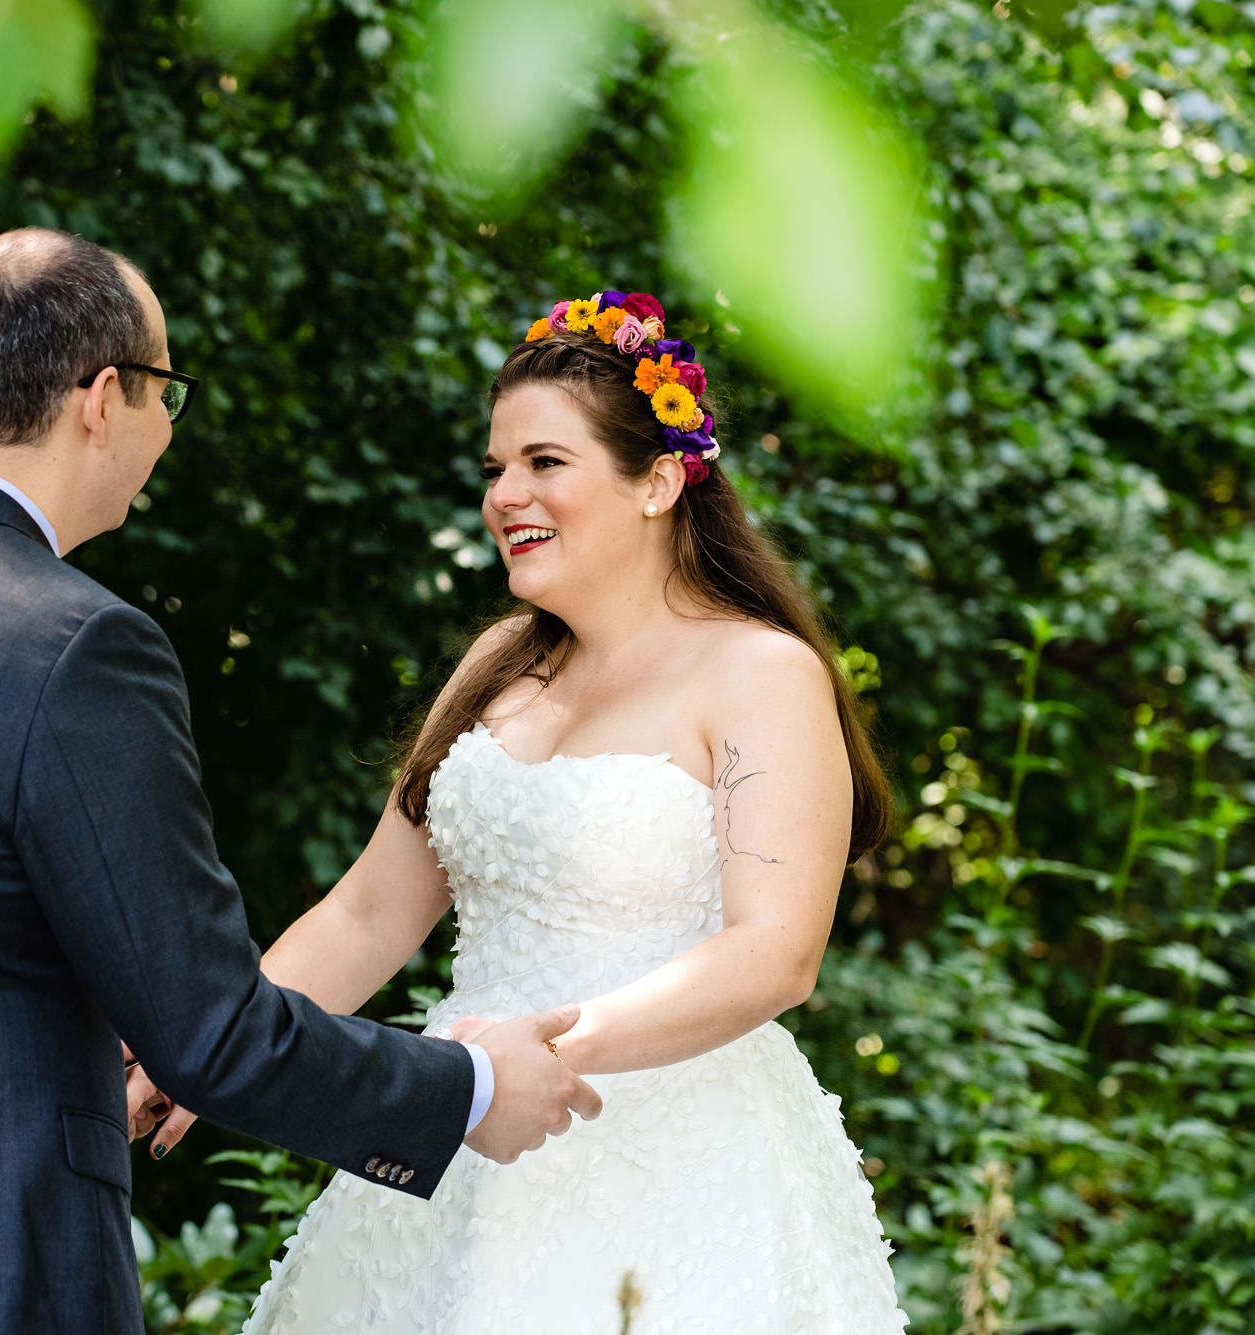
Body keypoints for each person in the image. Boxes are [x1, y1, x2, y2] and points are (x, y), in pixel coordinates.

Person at [0, 229, 602, 1335]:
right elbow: (210, 1036)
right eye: (164, 396)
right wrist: (465, 1091)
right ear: (102, 397)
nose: (162, 436)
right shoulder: (71, 644)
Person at [130, 290, 911, 1332]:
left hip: (673, 1158)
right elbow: (369, 913)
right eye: (494, 469)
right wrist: (207, 1044)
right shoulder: (499, 666)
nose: (504, 494)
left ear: (659, 483)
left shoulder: (759, 673)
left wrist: (539, 1051)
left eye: (544, 462)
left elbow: (774, 954)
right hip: (456, 1133)